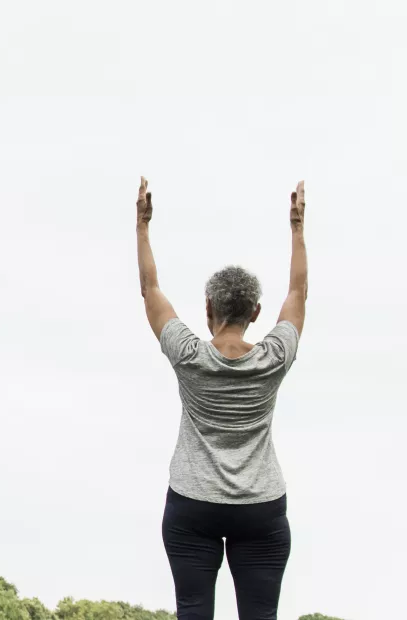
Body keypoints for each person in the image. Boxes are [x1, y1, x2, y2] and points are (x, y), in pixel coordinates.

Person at [135, 177, 308, 619]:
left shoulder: (189, 356)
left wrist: (142, 227)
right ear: (255, 313)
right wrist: (297, 229)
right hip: (261, 509)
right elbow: (297, 295)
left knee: (193, 610)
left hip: (193, 505)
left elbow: (151, 291)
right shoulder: (273, 357)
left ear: (207, 307)